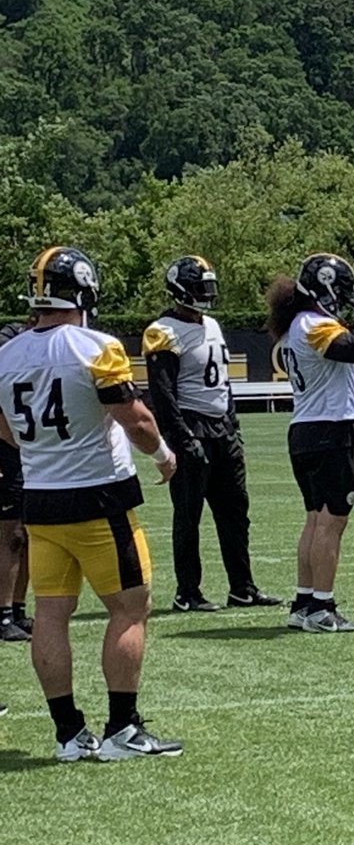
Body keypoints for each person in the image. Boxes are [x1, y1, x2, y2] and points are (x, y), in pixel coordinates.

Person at [0, 246, 182, 761]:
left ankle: (68, 734)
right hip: (100, 497)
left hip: (40, 498)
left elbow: (5, 429)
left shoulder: (6, 354)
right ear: (83, 291)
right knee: (130, 608)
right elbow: (136, 419)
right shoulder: (97, 346)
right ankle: (122, 729)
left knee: (51, 614)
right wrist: (165, 455)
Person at [143, 256, 280, 613]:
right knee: (188, 515)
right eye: (201, 288)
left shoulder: (213, 325)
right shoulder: (163, 331)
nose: (207, 295)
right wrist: (183, 439)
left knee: (235, 512)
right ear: (181, 290)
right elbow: (163, 393)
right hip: (192, 427)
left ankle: (242, 588)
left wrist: (233, 424)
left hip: (222, 429)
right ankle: (187, 592)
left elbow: (222, 384)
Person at [267, 253, 354, 633]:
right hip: (330, 427)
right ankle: (321, 606)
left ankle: (304, 601)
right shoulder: (313, 324)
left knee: (316, 520)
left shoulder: (301, 323)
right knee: (331, 522)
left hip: (309, 427)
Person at [0, 319, 30, 642]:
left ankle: (18, 610)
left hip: (25, 454)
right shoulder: (11, 340)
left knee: (27, 535)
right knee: (10, 534)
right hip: (8, 453)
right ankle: (4, 612)